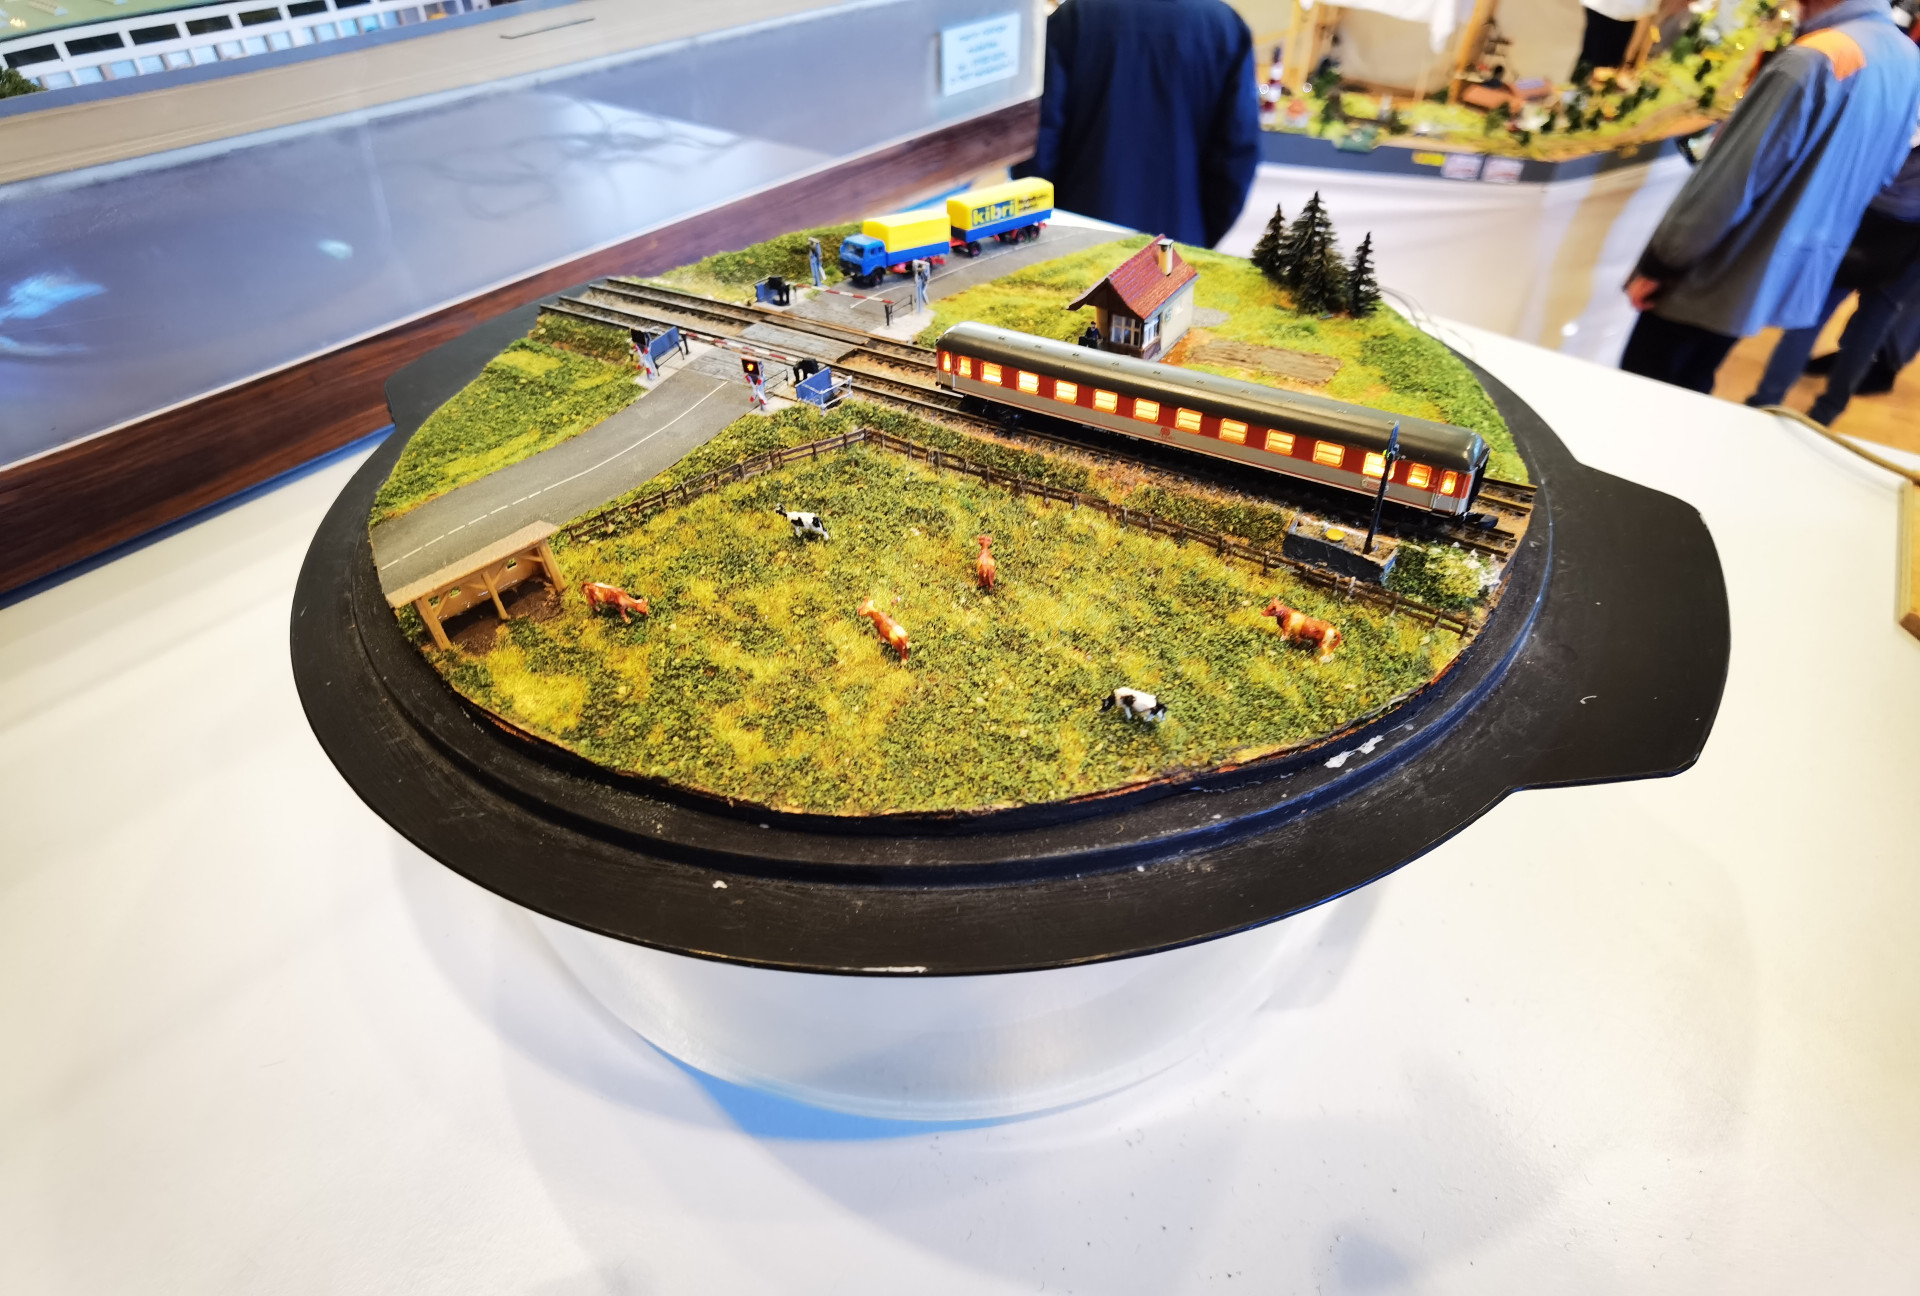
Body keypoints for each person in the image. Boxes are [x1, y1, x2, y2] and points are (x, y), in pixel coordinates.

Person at [1619, 0, 1920, 394]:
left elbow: (1730, 185)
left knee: (1645, 392)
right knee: (1693, 385)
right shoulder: (1906, 58)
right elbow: (1885, 171)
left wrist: (1662, 262)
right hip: (1778, 272)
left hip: (1715, 269)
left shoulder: (1814, 58)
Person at [1014, 0, 1260, 248]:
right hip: (1178, 238)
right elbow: (1236, 156)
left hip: (1078, 233)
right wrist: (1199, 233)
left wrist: (1048, 221)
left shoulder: (1073, 17)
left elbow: (1036, 142)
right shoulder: (1224, 28)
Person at [1746, 142, 1920, 421]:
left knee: (1812, 313)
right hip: (1909, 236)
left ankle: (1766, 398)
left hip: (1862, 212)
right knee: (1872, 325)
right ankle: (1827, 412)